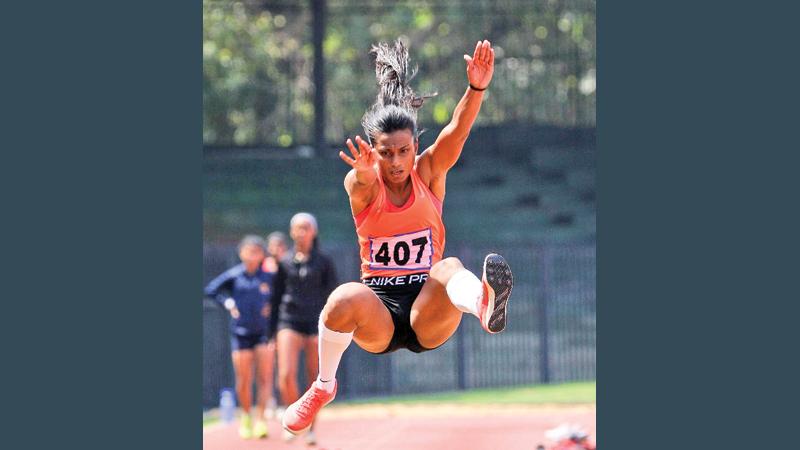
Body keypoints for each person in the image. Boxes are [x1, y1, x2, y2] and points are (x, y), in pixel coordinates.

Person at [282, 39, 513, 436]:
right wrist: (366, 173)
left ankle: (482, 303)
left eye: (402, 151)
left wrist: (476, 89)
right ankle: (323, 386)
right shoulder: (364, 184)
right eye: (385, 153)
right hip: (380, 314)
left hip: (429, 308)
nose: (394, 162)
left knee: (448, 266)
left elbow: (456, 133)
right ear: (373, 150)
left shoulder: (429, 173)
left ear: (414, 148)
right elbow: (360, 181)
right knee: (341, 298)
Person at [272, 212, 338, 444]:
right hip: (289, 320)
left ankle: (309, 427)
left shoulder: (324, 262)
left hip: (315, 321)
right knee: (285, 375)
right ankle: (295, 418)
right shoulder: (284, 261)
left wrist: (331, 327)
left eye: (306, 227)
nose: (301, 232)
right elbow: (276, 297)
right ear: (291, 232)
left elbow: (333, 296)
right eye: (298, 228)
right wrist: (271, 333)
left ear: (314, 231)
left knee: (315, 377)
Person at [204, 235, 278, 440]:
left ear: (262, 254)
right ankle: (246, 416)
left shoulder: (269, 276)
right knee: (244, 378)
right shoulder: (235, 276)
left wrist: (272, 308)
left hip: (263, 334)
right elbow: (211, 290)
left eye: (256, 251)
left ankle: (261, 419)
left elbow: (280, 294)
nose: (252, 255)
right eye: (248, 251)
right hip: (241, 333)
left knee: (264, 378)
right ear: (241, 253)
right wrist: (228, 302)